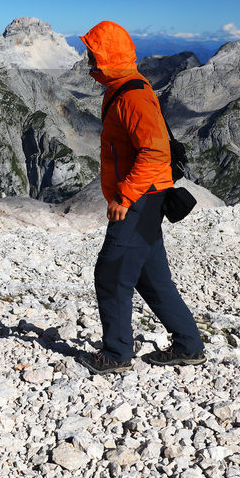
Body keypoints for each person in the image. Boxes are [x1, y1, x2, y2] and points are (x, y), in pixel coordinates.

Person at [77, 21, 205, 374]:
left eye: (92, 54)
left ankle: (116, 354)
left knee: (111, 274)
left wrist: (124, 197)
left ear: (107, 57)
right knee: (152, 279)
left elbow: (154, 152)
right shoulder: (120, 86)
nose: (87, 60)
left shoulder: (132, 95)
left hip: (140, 199)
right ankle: (189, 345)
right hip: (147, 197)